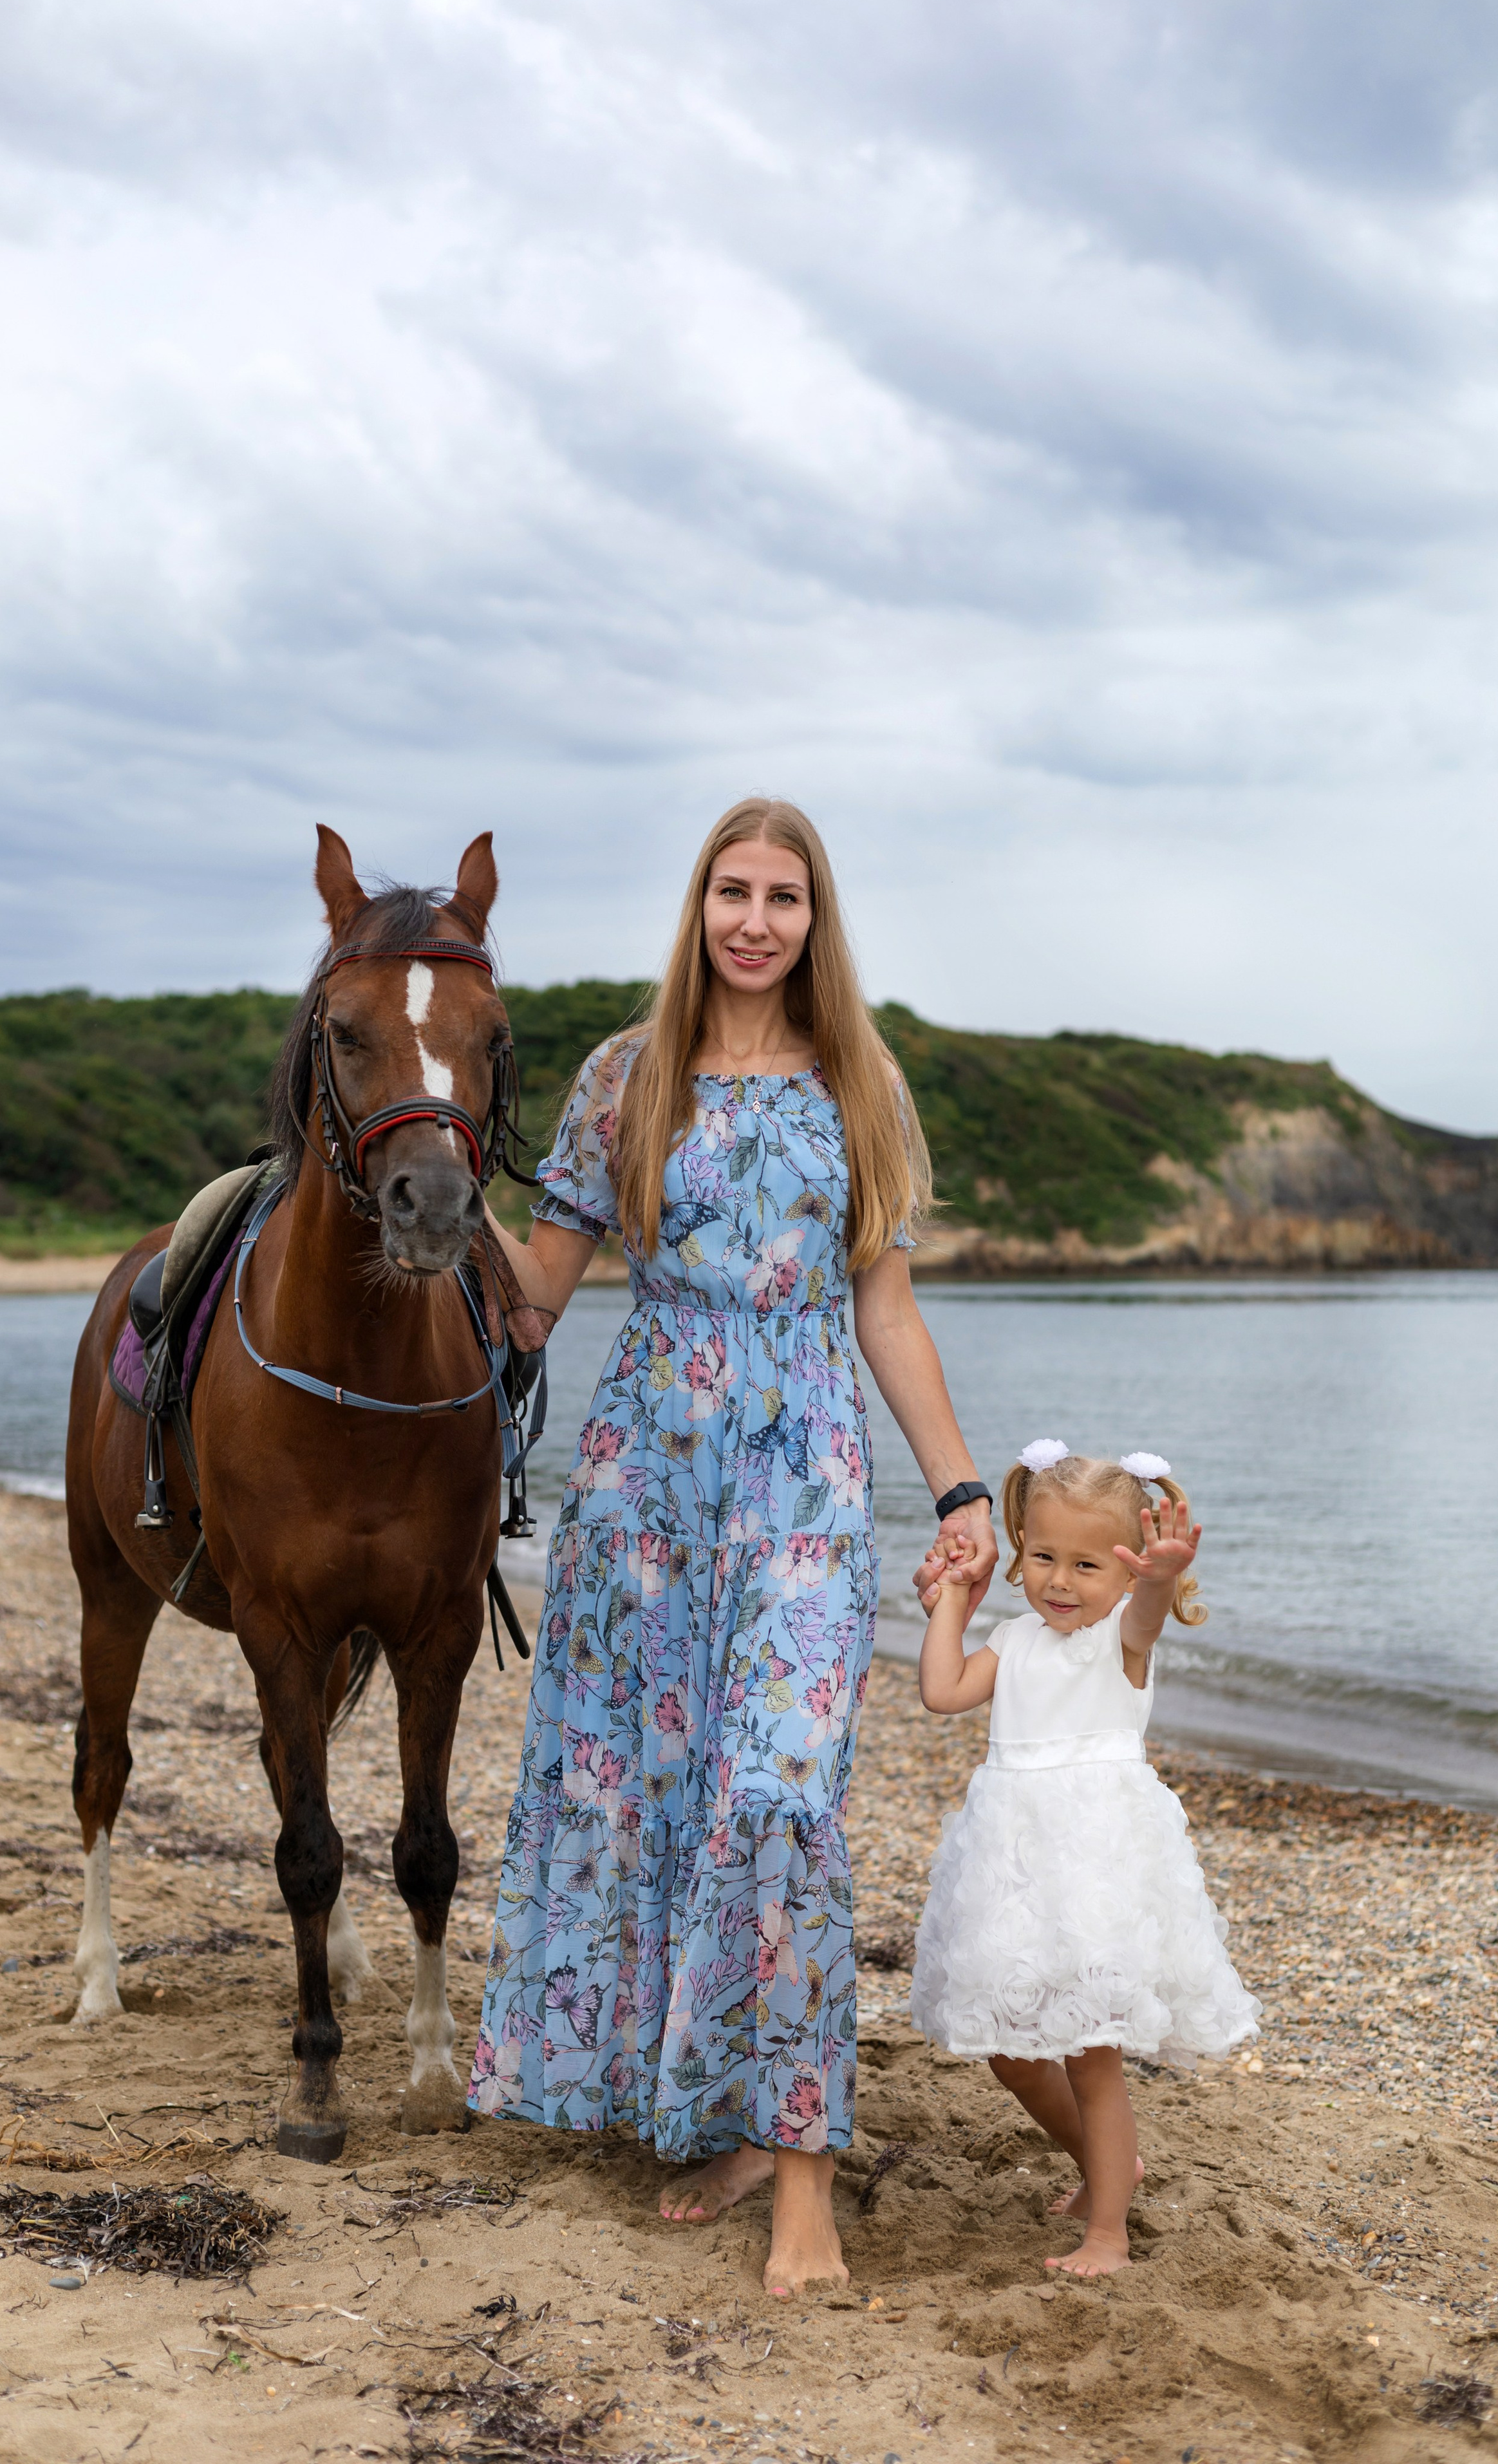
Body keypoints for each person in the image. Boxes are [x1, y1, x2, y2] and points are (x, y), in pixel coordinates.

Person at [467, 795, 998, 2297]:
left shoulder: (857, 1085)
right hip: (642, 1495)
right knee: (657, 1794)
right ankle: (734, 2117)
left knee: (775, 1796)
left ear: (815, 920)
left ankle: (803, 2185)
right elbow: (534, 1296)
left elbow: (884, 1306)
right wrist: (436, 1184)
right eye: (730, 891)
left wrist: (960, 1493)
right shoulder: (623, 1079)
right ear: (696, 908)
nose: (754, 919)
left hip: (804, 1488)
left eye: (782, 895)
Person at [908, 1440, 1261, 2277]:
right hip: (1015, 1874)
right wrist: (952, 1598)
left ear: (1125, 1564)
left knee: (1090, 2054)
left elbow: (1142, 1612)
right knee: (1010, 2050)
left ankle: (1109, 2228)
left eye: (1087, 1564)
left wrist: (1160, 1580)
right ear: (1020, 1547)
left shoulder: (1120, 1644)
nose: (1061, 1580)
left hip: (1095, 1874)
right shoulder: (1015, 1641)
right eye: (1043, 1557)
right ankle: (1111, 2169)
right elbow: (943, 1689)